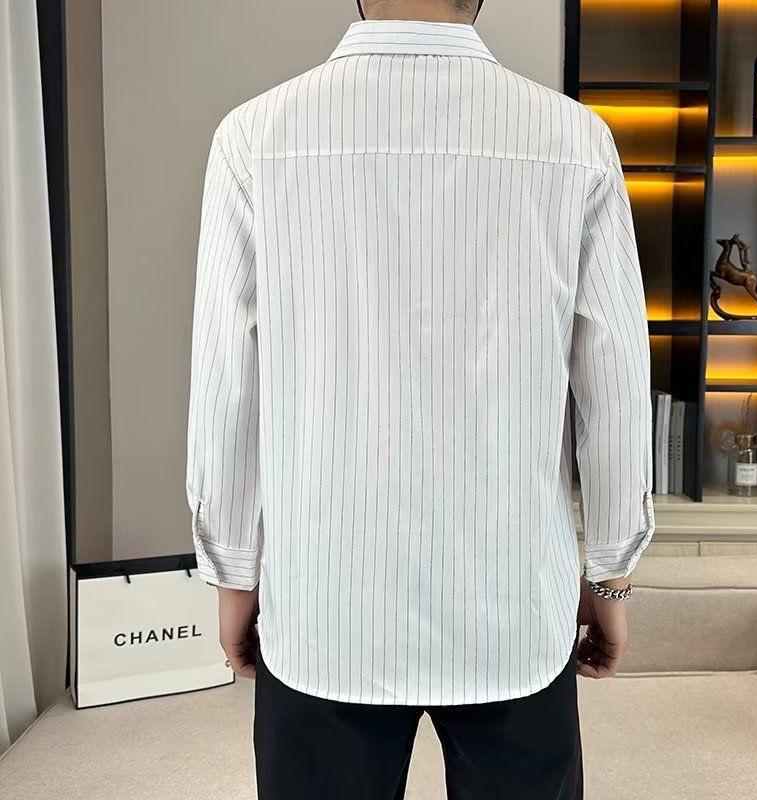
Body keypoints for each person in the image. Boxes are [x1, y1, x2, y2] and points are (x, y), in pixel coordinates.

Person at [185, 1, 655, 797]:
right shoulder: (575, 142)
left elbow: (225, 381)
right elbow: (614, 378)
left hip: (325, 611)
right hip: (512, 609)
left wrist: (233, 576)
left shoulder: (253, 139)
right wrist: (610, 575)